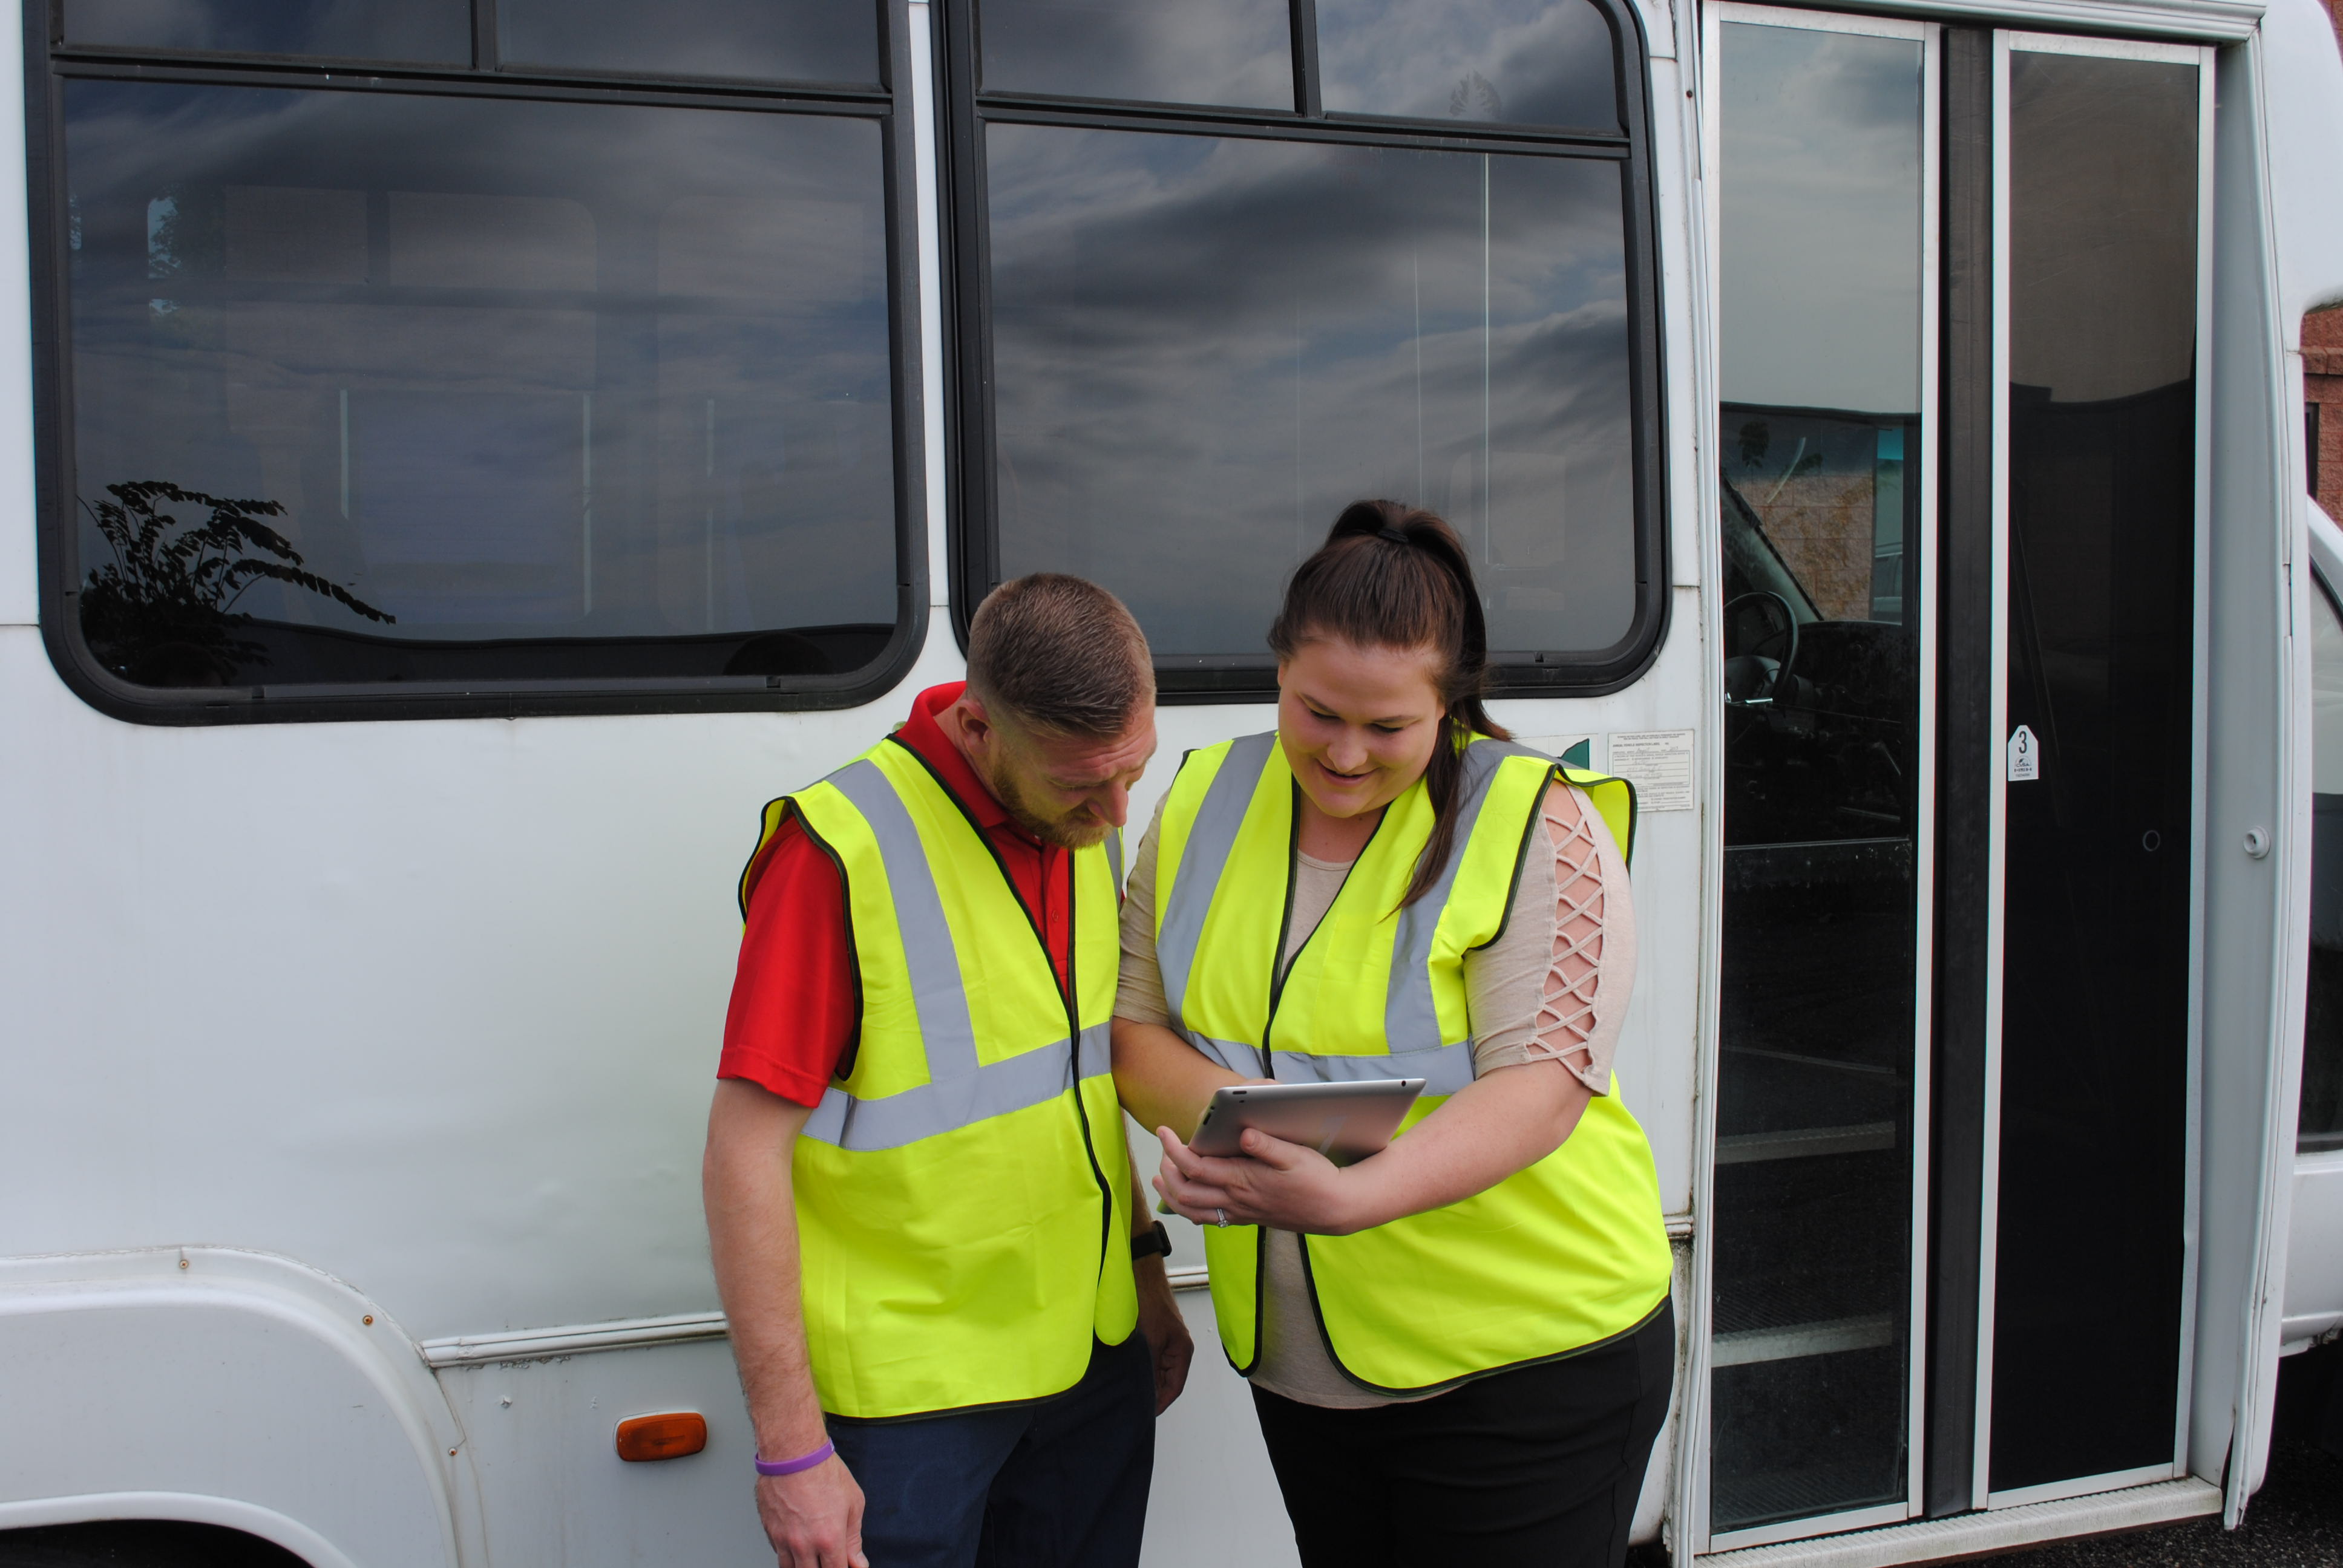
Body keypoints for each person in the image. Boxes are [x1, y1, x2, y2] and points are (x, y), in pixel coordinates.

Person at [1113, 501, 1675, 1568]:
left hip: (1529, 1361)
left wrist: (1344, 1194)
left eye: (1389, 729)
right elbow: (1132, 1033)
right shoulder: (1199, 799)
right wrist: (1248, 1146)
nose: (1346, 754)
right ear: (1278, 668)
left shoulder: (1537, 822)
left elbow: (1542, 1089)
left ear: (1450, 705)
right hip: (1307, 1369)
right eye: (1318, 712)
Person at [704, 573, 1194, 1568]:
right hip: (915, 1402)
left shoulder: (1080, 821)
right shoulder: (837, 850)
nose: (1112, 811)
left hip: (1089, 1362)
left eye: (1132, 774)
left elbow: (1070, 1083)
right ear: (976, 727)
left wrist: (1147, 1272)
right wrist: (792, 1451)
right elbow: (741, 1156)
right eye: (1081, 784)